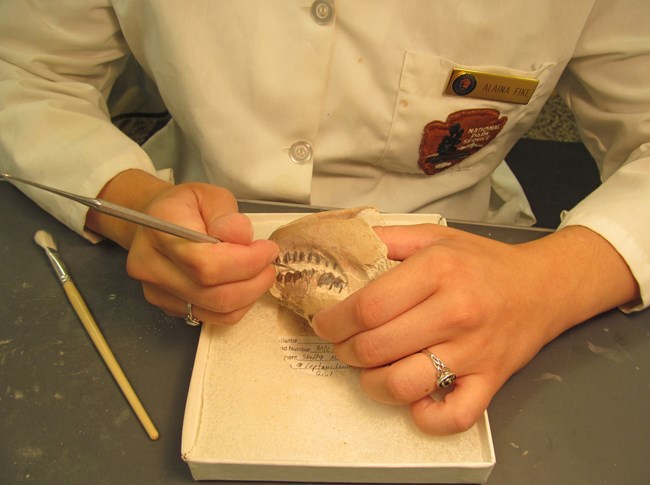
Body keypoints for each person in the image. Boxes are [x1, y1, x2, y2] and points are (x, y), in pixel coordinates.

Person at [0, 1, 647, 436]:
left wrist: (552, 282)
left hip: (483, 276)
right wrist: (133, 205)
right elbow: (26, 72)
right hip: (186, 244)